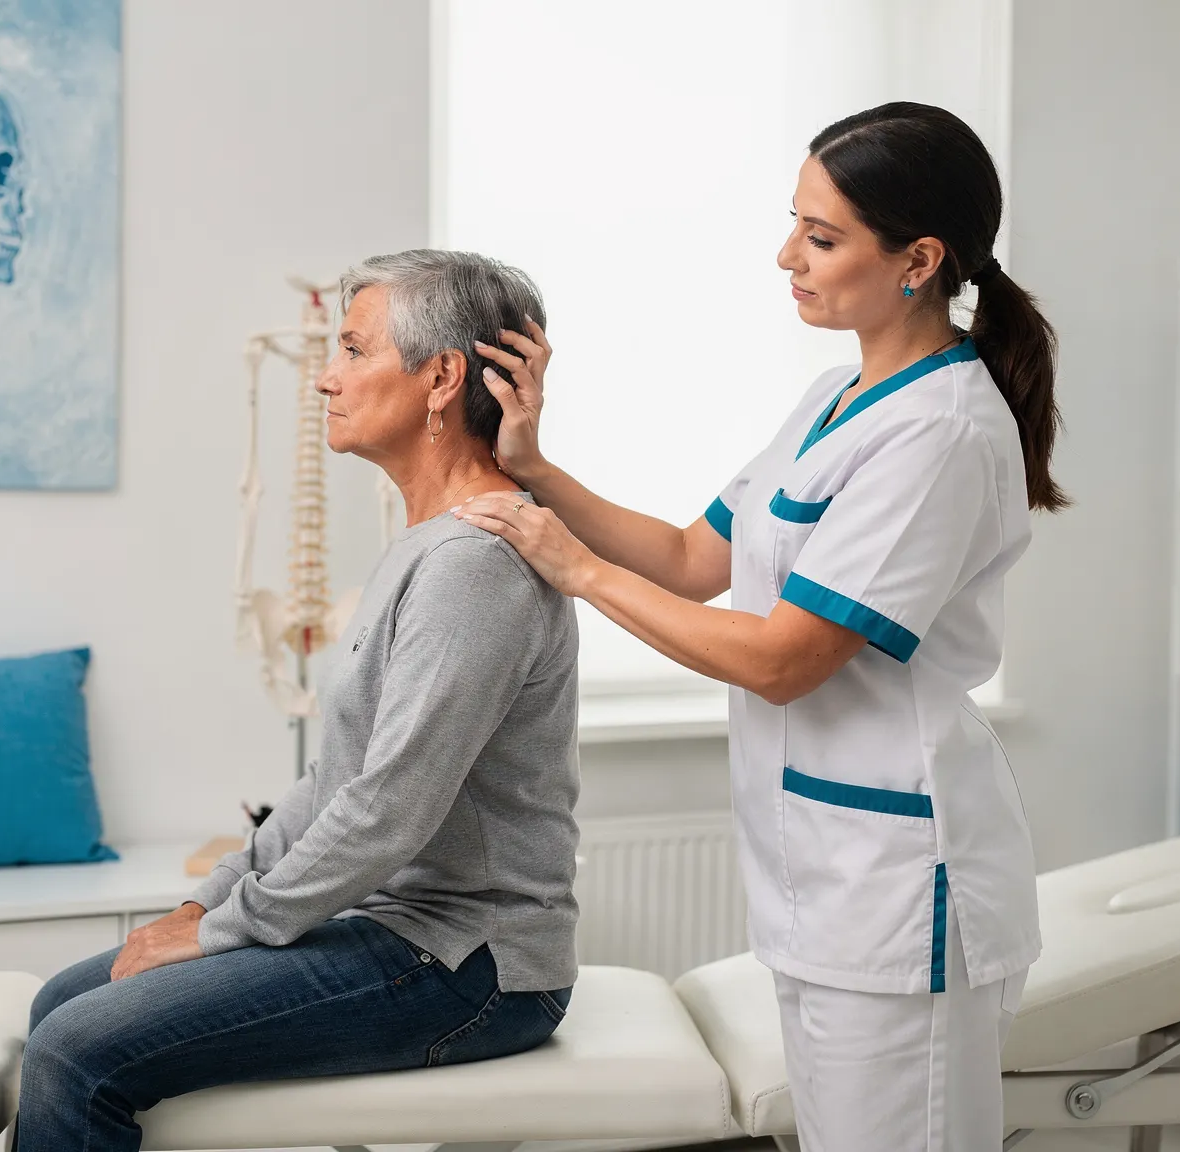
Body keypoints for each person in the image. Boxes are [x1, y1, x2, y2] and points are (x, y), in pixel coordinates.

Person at [455, 102, 1064, 1152]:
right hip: (821, 875)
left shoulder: (940, 433)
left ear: (918, 260)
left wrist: (577, 571)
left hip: (894, 884)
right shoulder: (837, 398)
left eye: (820, 238)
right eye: (794, 224)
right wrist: (534, 468)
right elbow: (693, 560)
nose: (787, 257)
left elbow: (784, 659)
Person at [13, 250, 579, 1152]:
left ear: (441, 379)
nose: (325, 378)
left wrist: (226, 932)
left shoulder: (475, 564)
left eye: (352, 350)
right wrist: (208, 905)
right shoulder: (426, 543)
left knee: (77, 1051)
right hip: (392, 928)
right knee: (62, 1002)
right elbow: (335, 780)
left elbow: (388, 810)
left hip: (471, 966)